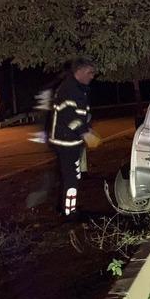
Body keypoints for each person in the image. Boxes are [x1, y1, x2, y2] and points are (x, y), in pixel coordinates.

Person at [48, 58, 101, 218]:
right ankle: (69, 212)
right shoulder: (68, 90)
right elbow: (70, 116)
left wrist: (87, 128)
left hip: (72, 141)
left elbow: (81, 115)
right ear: (79, 72)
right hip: (65, 142)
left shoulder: (78, 89)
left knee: (74, 176)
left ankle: (67, 206)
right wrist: (85, 133)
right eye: (89, 72)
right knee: (71, 177)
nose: (92, 76)